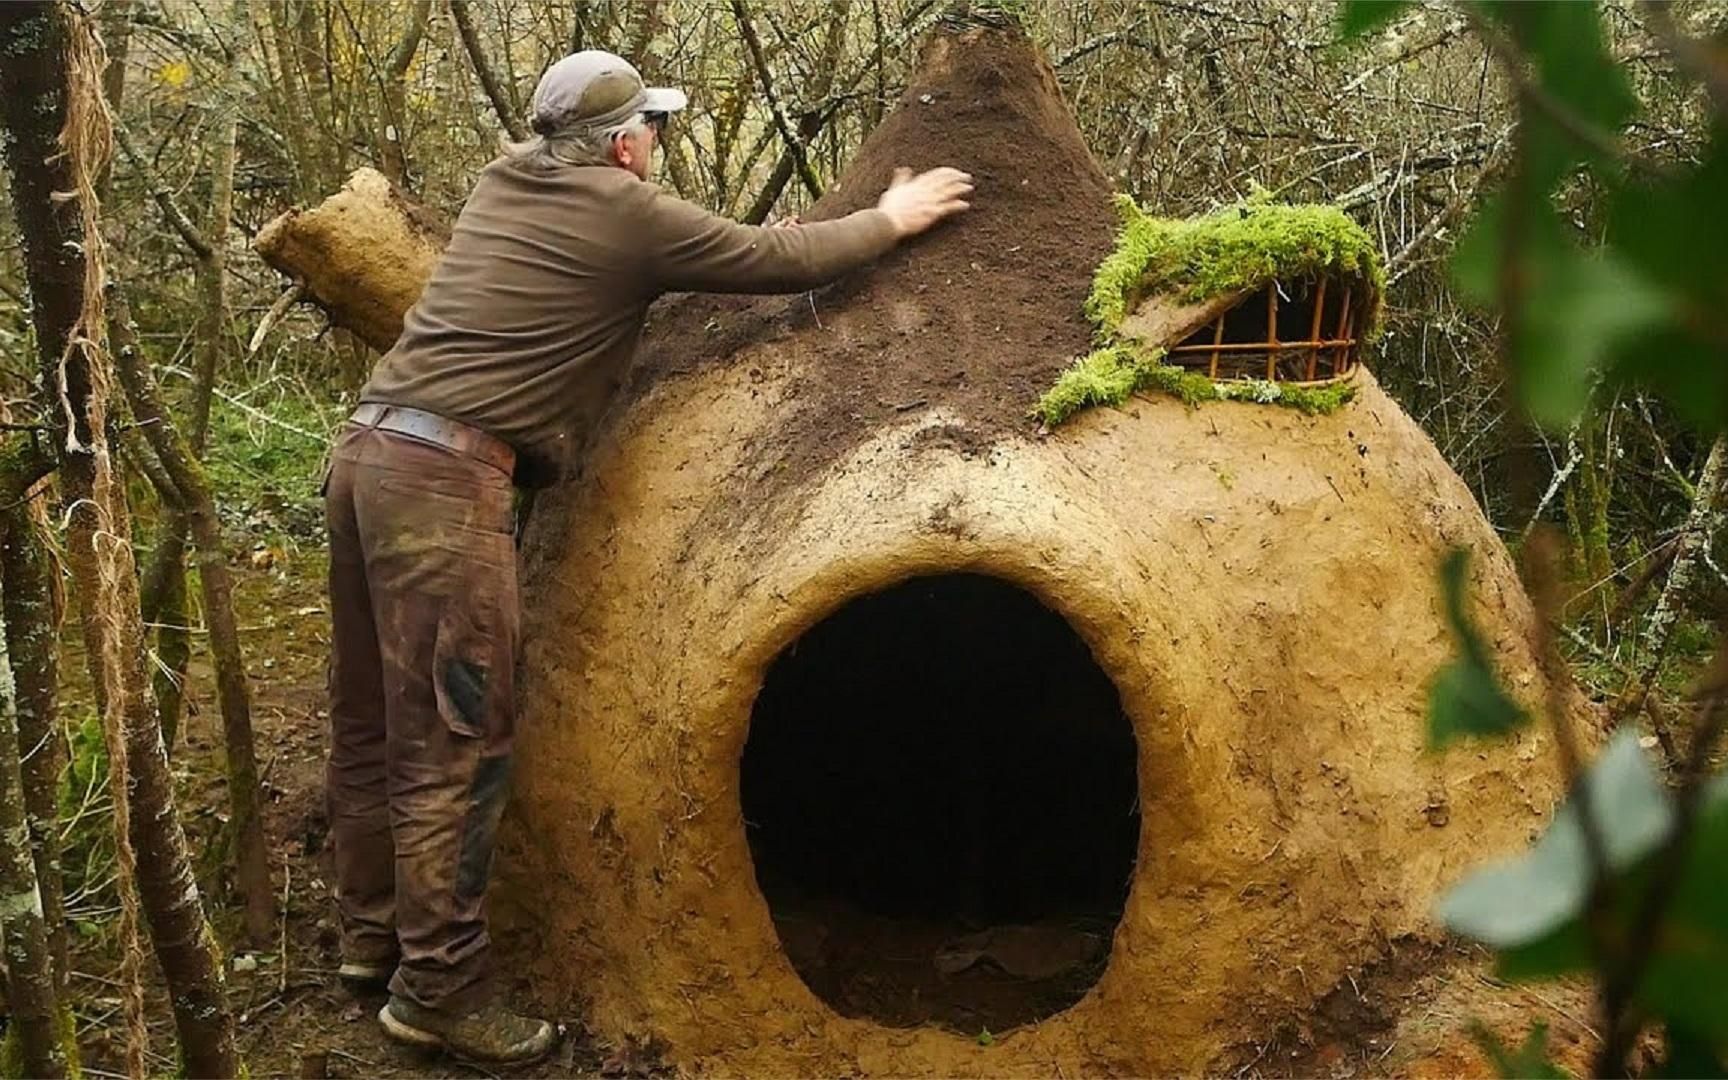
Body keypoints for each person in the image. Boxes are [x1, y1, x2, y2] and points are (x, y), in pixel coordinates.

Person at [321, 48, 973, 1064]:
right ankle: (440, 990)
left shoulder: (511, 183)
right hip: (447, 489)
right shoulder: (625, 211)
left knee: (373, 719)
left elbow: (628, 282)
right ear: (626, 145)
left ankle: (371, 940)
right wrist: (896, 216)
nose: (657, 146)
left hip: (368, 457)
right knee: (460, 737)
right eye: (653, 131)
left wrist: (749, 244)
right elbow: (779, 265)